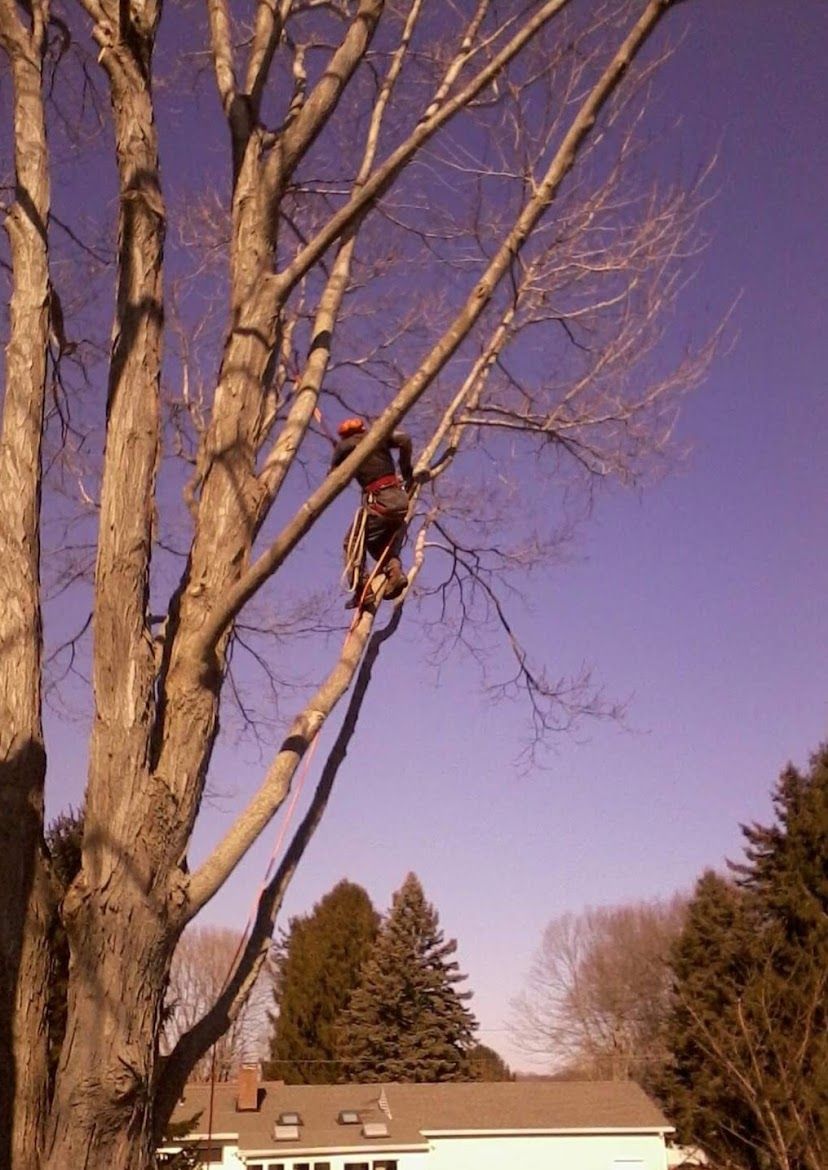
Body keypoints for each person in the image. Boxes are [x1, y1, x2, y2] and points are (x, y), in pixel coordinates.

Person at [331, 417, 413, 607]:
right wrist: (406, 470)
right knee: (376, 544)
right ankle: (395, 574)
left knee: (351, 542)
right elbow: (405, 439)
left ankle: (361, 589)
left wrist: (339, 461)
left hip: (379, 502)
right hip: (400, 501)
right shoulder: (377, 437)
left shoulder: (344, 446)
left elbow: (333, 478)